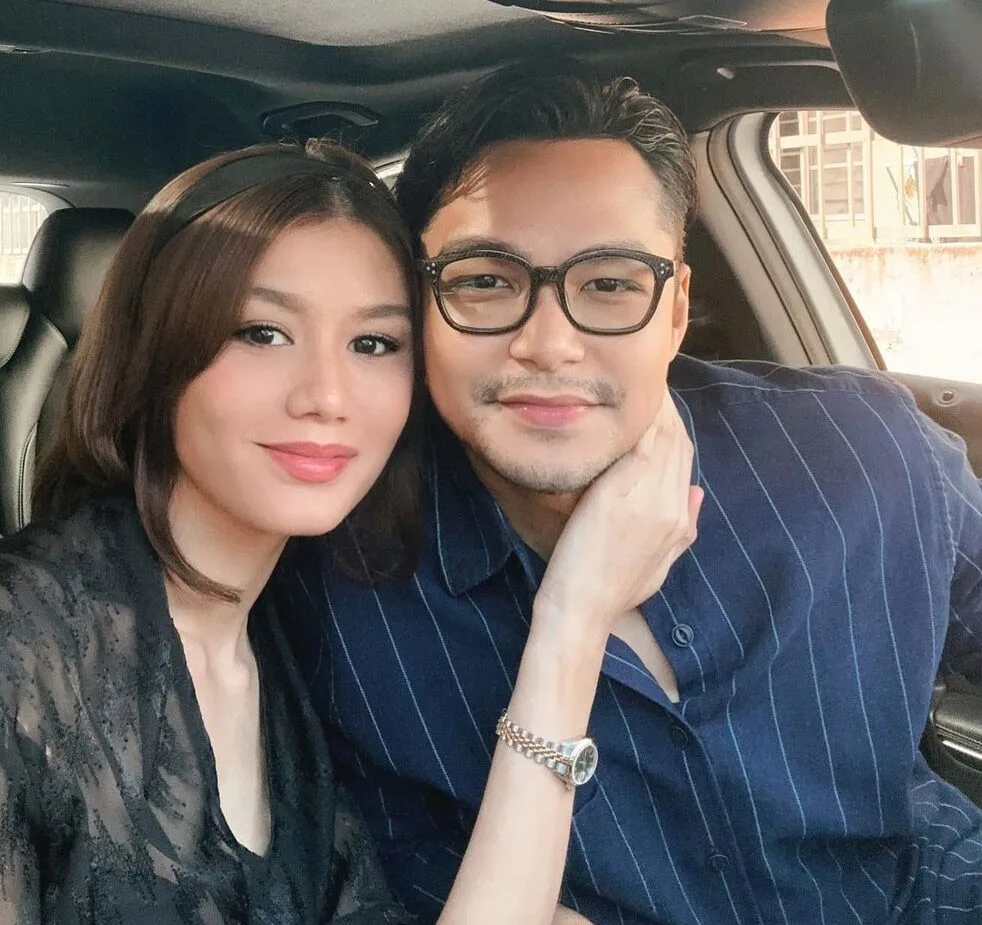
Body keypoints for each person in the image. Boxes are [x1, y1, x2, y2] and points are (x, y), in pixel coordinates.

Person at [0, 139, 695, 924]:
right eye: (263, 332)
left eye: (373, 343)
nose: (327, 395)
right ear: (156, 346)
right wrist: (571, 621)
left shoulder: (295, 640)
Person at [274, 61, 982, 924]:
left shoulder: (863, 451)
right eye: (484, 280)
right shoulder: (343, 594)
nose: (549, 345)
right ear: (420, 307)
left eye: (609, 283)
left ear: (675, 310)